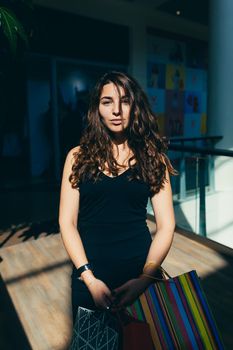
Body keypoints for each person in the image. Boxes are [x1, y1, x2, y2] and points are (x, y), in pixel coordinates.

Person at [58, 71, 177, 326]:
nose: (116, 110)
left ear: (135, 106)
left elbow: (167, 226)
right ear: (97, 109)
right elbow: (67, 223)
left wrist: (144, 279)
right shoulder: (77, 158)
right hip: (89, 279)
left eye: (124, 101)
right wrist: (89, 279)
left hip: (140, 277)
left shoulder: (154, 158)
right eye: (107, 102)